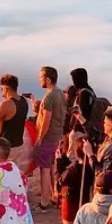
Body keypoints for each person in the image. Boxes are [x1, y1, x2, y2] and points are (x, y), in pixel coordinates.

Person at [34, 66, 67, 210]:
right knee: (52, 168)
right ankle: (54, 196)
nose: (39, 79)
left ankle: (44, 202)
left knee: (44, 169)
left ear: (48, 79)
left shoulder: (49, 97)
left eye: (41, 77)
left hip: (48, 137)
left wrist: (40, 138)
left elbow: (46, 119)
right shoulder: (60, 93)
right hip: (58, 135)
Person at [0, 74, 32, 176]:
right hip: (19, 145)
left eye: (2, 89)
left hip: (6, 149)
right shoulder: (24, 101)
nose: (2, 93)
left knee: (2, 177)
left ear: (6, 89)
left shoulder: (7, 104)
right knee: (14, 176)